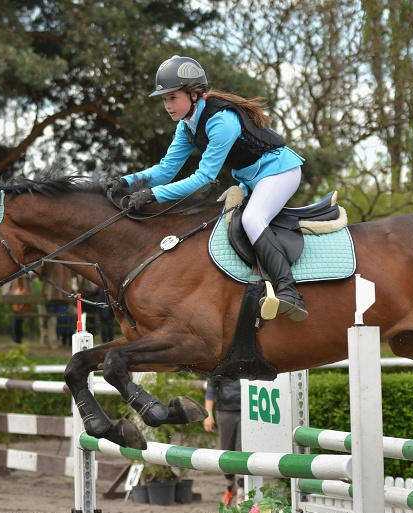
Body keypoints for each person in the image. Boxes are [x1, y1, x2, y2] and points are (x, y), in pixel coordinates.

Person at [107, 56, 308, 321]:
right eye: (164, 99)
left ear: (194, 94)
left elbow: (203, 178)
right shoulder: (186, 126)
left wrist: (153, 194)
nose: (167, 105)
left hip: (280, 172)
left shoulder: (221, 121)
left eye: (172, 98)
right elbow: (166, 169)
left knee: (252, 218)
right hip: (252, 179)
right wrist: (126, 182)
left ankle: (289, 290)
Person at [203, 377, 244, 505]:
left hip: (246, 412)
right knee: (226, 451)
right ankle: (229, 487)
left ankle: (241, 492)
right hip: (225, 412)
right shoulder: (219, 362)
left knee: (241, 451)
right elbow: (211, 388)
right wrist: (208, 415)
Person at [9, 275, 33, 344]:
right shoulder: (22, 285)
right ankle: (17, 338)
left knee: (17, 321)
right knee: (17, 321)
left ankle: (16, 338)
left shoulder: (20, 286)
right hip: (20, 308)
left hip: (19, 309)